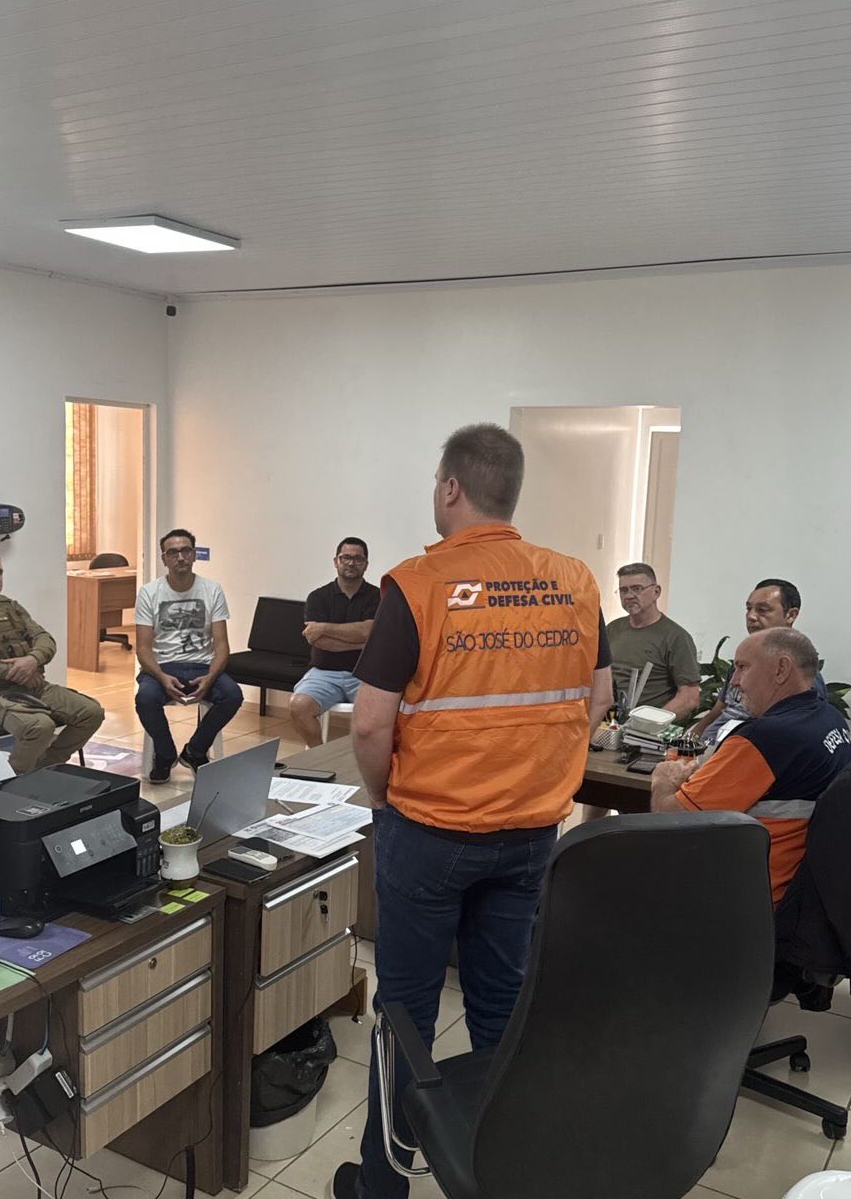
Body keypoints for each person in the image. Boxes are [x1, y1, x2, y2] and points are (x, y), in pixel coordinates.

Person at [334, 424, 607, 1199]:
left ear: (451, 487)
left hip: (431, 831)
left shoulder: (416, 585)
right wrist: (536, 771)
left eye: (436, 482)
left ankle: (384, 1184)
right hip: (532, 833)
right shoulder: (575, 581)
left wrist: (383, 799)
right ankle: (501, 1170)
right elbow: (598, 699)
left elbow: (369, 725)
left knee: (407, 1015)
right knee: (501, 1004)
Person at [650, 627, 851, 905]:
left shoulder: (765, 739)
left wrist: (663, 780)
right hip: (799, 893)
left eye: (742, 667)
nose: (734, 681)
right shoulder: (831, 720)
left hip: (740, 897)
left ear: (781, 669)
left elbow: (672, 822)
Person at [0, 549, 104, 773]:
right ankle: (13, 780)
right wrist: (14, 671)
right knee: (40, 727)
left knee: (92, 712)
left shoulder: (11, 607)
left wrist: (32, 660)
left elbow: (45, 639)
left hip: (34, 685)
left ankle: (46, 766)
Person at [134, 528, 243, 782]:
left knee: (232, 695)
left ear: (194, 555)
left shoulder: (212, 590)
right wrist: (162, 677)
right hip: (162, 666)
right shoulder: (149, 592)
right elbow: (143, 649)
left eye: (185, 551)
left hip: (202, 666)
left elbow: (222, 646)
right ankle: (165, 754)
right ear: (164, 559)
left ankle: (195, 751)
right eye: (173, 553)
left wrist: (210, 677)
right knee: (145, 699)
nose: (180, 557)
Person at [692, 578, 827, 745]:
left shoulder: (802, 677)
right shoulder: (744, 660)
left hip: (744, 751)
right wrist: (687, 742)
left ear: (791, 615)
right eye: (748, 608)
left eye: (762, 610)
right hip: (707, 749)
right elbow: (718, 711)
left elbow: (795, 736)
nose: (751, 616)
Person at [289, 538, 381, 747]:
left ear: (366, 564)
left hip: (365, 673)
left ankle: (367, 761)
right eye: (345, 557)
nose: (351, 563)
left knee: (383, 714)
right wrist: (364, 642)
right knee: (299, 706)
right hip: (324, 672)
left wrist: (324, 627)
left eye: (358, 559)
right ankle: (319, 755)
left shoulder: (377, 596)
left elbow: (368, 631)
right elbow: (319, 641)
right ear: (336, 561)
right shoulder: (318, 597)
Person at [606, 562, 700, 719]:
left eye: (637, 588)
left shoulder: (676, 637)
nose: (629, 596)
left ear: (656, 592)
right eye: (623, 590)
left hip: (648, 728)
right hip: (609, 723)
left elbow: (689, 697)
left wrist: (648, 723)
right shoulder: (612, 629)